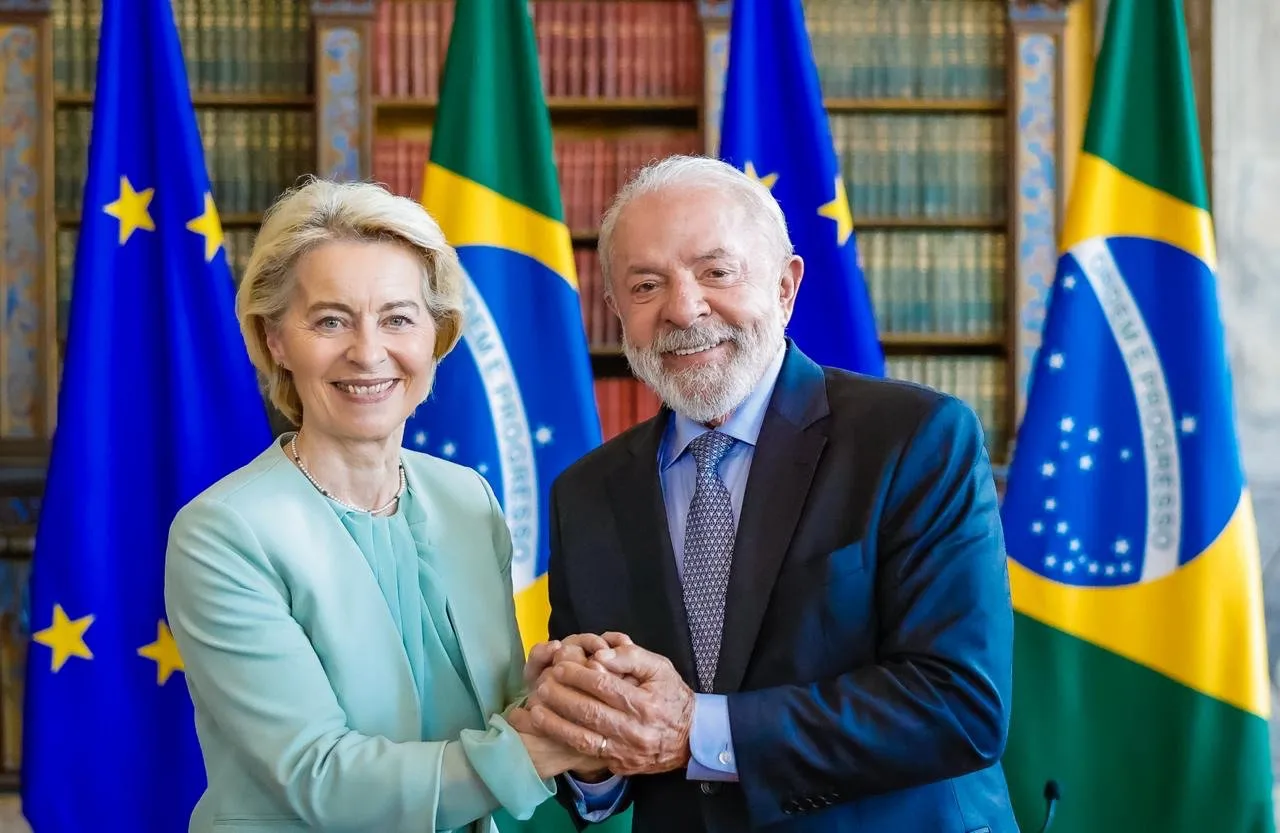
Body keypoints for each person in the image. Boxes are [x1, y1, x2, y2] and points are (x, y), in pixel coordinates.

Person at [509, 155, 1019, 832]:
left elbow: (960, 705)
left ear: (785, 286)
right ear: (616, 313)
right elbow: (609, 771)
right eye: (645, 284)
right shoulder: (587, 492)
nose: (683, 307)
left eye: (716, 271)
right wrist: (588, 737)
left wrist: (699, 728)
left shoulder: (915, 438)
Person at [164, 178, 598, 833]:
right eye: (330, 319)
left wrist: (561, 697)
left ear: (436, 336)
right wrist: (541, 745)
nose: (368, 352)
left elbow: (485, 718)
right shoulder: (223, 532)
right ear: (275, 339)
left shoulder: (465, 501)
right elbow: (319, 777)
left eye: (398, 317)